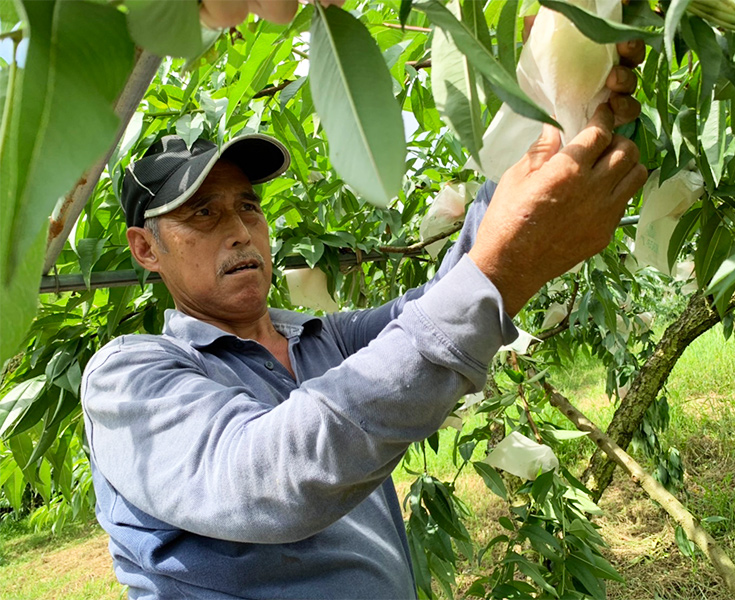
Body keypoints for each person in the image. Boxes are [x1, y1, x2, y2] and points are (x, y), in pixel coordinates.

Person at [81, 10, 647, 597]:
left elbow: (444, 301)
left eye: (248, 207)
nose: (240, 231)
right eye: (203, 213)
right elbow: (271, 476)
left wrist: (552, 107)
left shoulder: (323, 340)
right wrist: (506, 271)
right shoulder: (127, 376)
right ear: (145, 248)